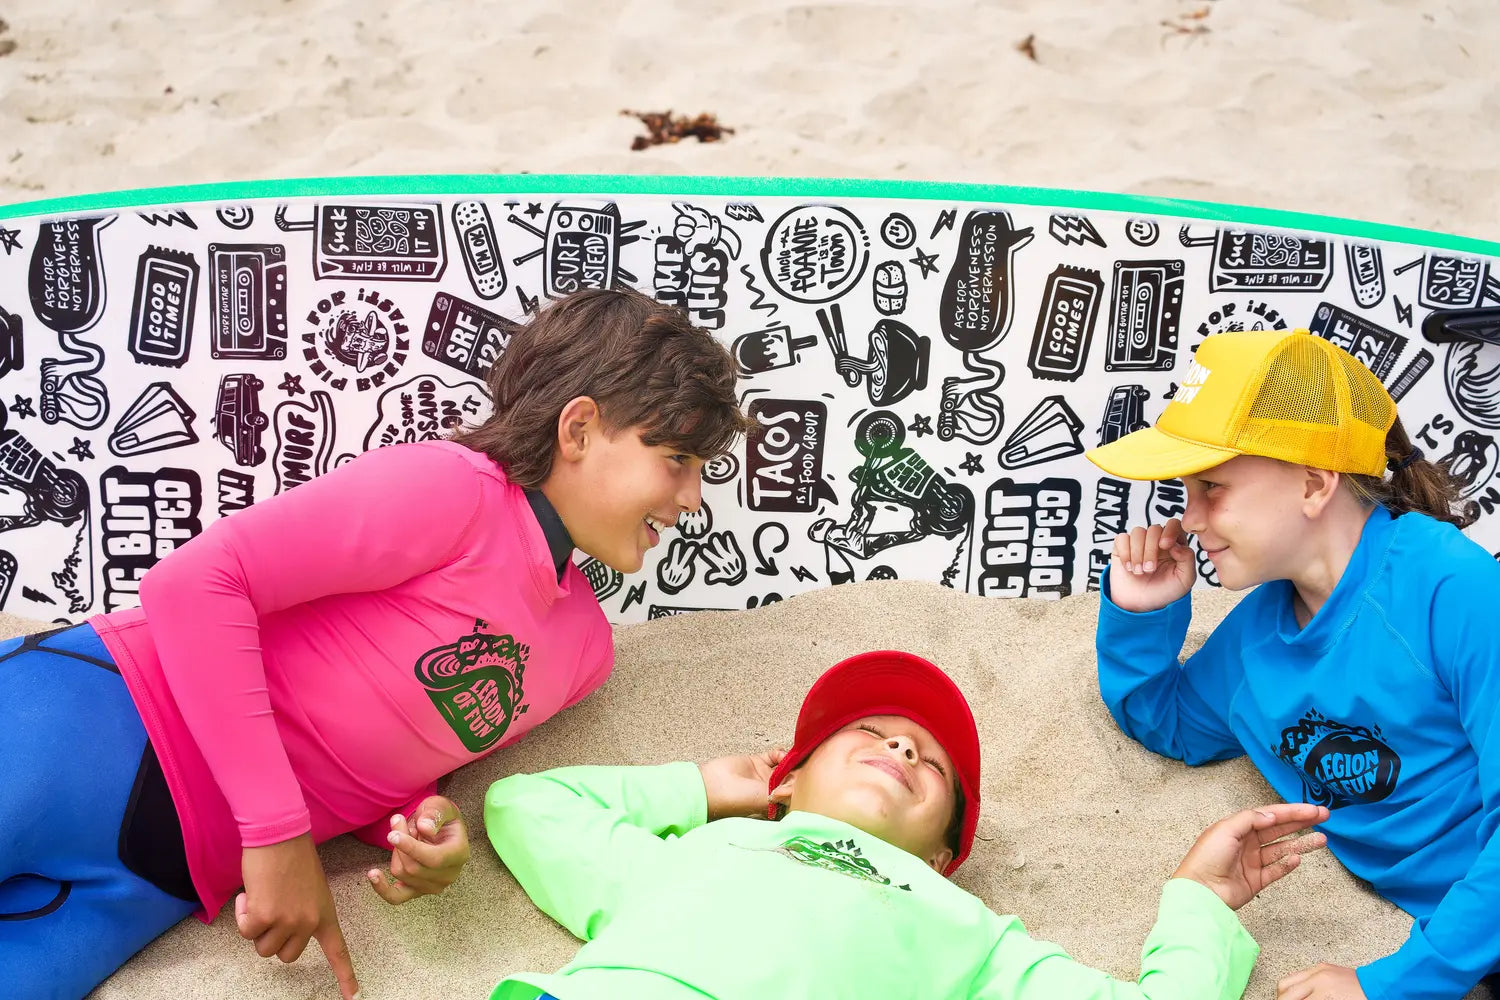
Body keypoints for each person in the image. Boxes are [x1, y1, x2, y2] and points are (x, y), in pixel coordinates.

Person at [0, 287, 748, 1000]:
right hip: (94, 727)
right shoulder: (458, 491)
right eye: (676, 459)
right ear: (579, 429)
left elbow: (374, 732)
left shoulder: (584, 651)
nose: (690, 499)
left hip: (161, 880)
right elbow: (195, 585)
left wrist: (423, 825)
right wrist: (278, 836)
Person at [484, 648, 1329, 1000]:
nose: (898, 741)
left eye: (932, 763)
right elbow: (525, 805)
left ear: (942, 852)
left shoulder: (965, 929)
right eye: (866, 730)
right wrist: (704, 788)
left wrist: (1198, 903)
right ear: (785, 783)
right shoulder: (700, 850)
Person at [1088, 328, 1500, 1000]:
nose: (1188, 518)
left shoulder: (1450, 587)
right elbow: (1171, 726)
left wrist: (1386, 983)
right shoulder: (1258, 634)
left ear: (1314, 483)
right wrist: (1142, 614)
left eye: (1212, 487)